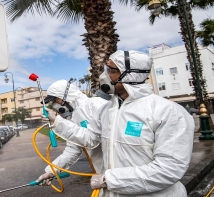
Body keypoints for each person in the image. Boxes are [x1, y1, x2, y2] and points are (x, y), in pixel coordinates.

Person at [50, 50, 195, 196]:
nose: (104, 76)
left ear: (131, 75)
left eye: (111, 71)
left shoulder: (168, 112)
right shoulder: (107, 110)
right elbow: (90, 138)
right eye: (106, 70)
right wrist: (56, 122)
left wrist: (109, 180)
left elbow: (169, 169)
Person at [35, 80, 112, 194]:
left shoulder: (95, 104)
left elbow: (93, 139)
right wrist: (52, 171)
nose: (55, 105)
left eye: (56, 100)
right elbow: (73, 149)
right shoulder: (72, 117)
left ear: (67, 95)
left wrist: (57, 122)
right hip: (102, 175)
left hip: (118, 171)